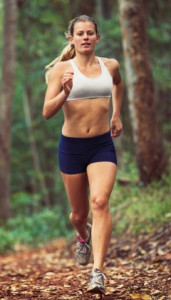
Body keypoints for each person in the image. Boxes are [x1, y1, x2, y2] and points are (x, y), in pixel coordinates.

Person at [43, 15, 123, 295]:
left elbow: (118, 83)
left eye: (91, 33)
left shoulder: (110, 65)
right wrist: (65, 92)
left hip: (101, 145)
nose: (86, 37)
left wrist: (117, 114)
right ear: (72, 39)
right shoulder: (62, 70)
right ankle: (82, 234)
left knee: (100, 202)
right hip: (72, 147)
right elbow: (47, 112)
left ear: (97, 38)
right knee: (78, 214)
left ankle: (98, 272)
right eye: (81, 33)